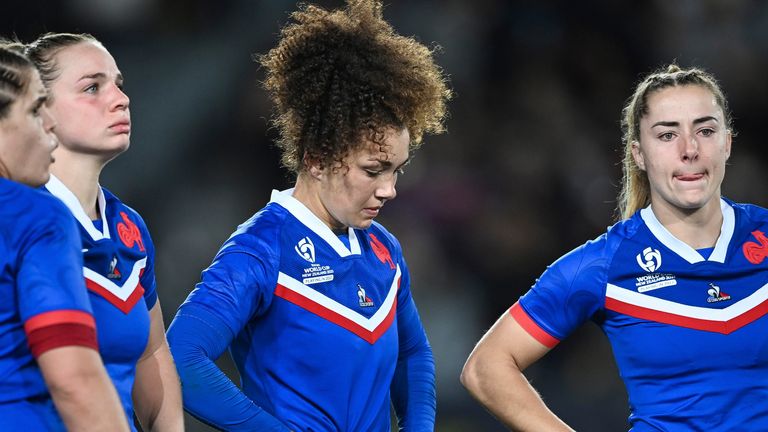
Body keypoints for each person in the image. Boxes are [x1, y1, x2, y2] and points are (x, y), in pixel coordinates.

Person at [166, 0, 451, 430]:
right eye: (373, 170)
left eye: (397, 170)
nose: (389, 189)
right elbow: (181, 360)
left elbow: (414, 354)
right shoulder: (262, 249)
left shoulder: (383, 250)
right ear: (317, 159)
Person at [461, 64, 768, 431]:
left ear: (727, 143)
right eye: (667, 136)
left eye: (705, 130)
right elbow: (485, 368)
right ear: (639, 154)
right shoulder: (605, 263)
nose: (690, 149)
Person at [24, 33, 183, 431]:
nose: (120, 99)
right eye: (93, 87)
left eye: (118, 84)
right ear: (41, 110)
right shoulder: (18, 220)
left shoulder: (128, 226)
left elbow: (152, 353)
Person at [0, 44, 129, 431]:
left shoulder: (129, 226)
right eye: (36, 110)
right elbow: (75, 380)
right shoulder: (35, 215)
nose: (49, 125)